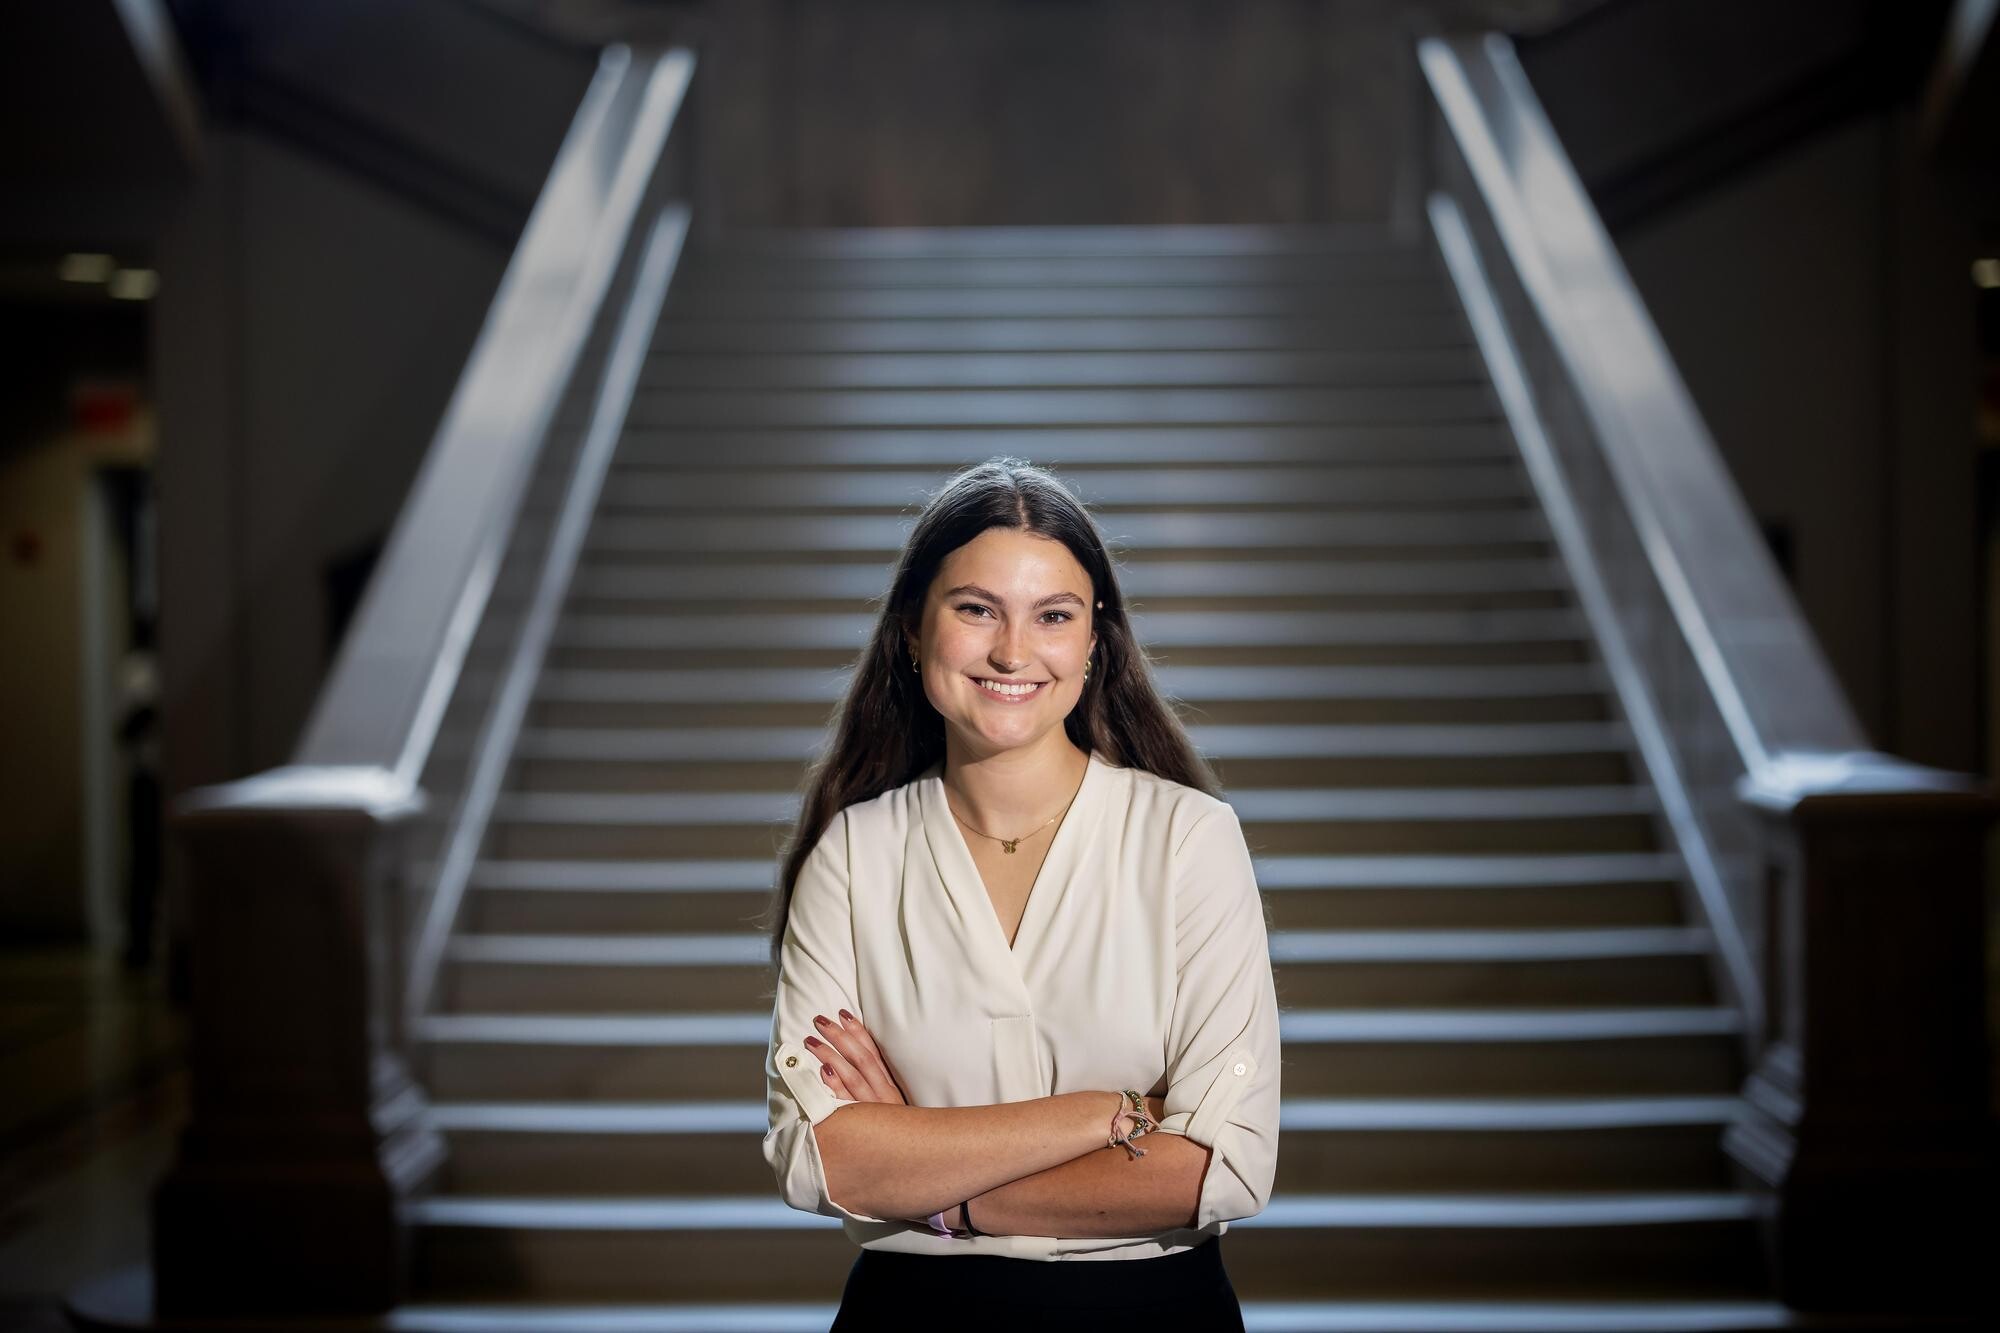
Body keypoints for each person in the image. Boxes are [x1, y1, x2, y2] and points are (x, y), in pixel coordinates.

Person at [761, 457, 1281, 1330]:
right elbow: (821, 1158)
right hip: (910, 1322)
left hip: (1156, 1318)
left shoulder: (1189, 838)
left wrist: (939, 1186)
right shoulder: (853, 852)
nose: (1012, 650)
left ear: (1093, 641)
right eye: (975, 609)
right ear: (915, 632)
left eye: (1052, 615)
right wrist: (1109, 1115)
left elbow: (1218, 1168)